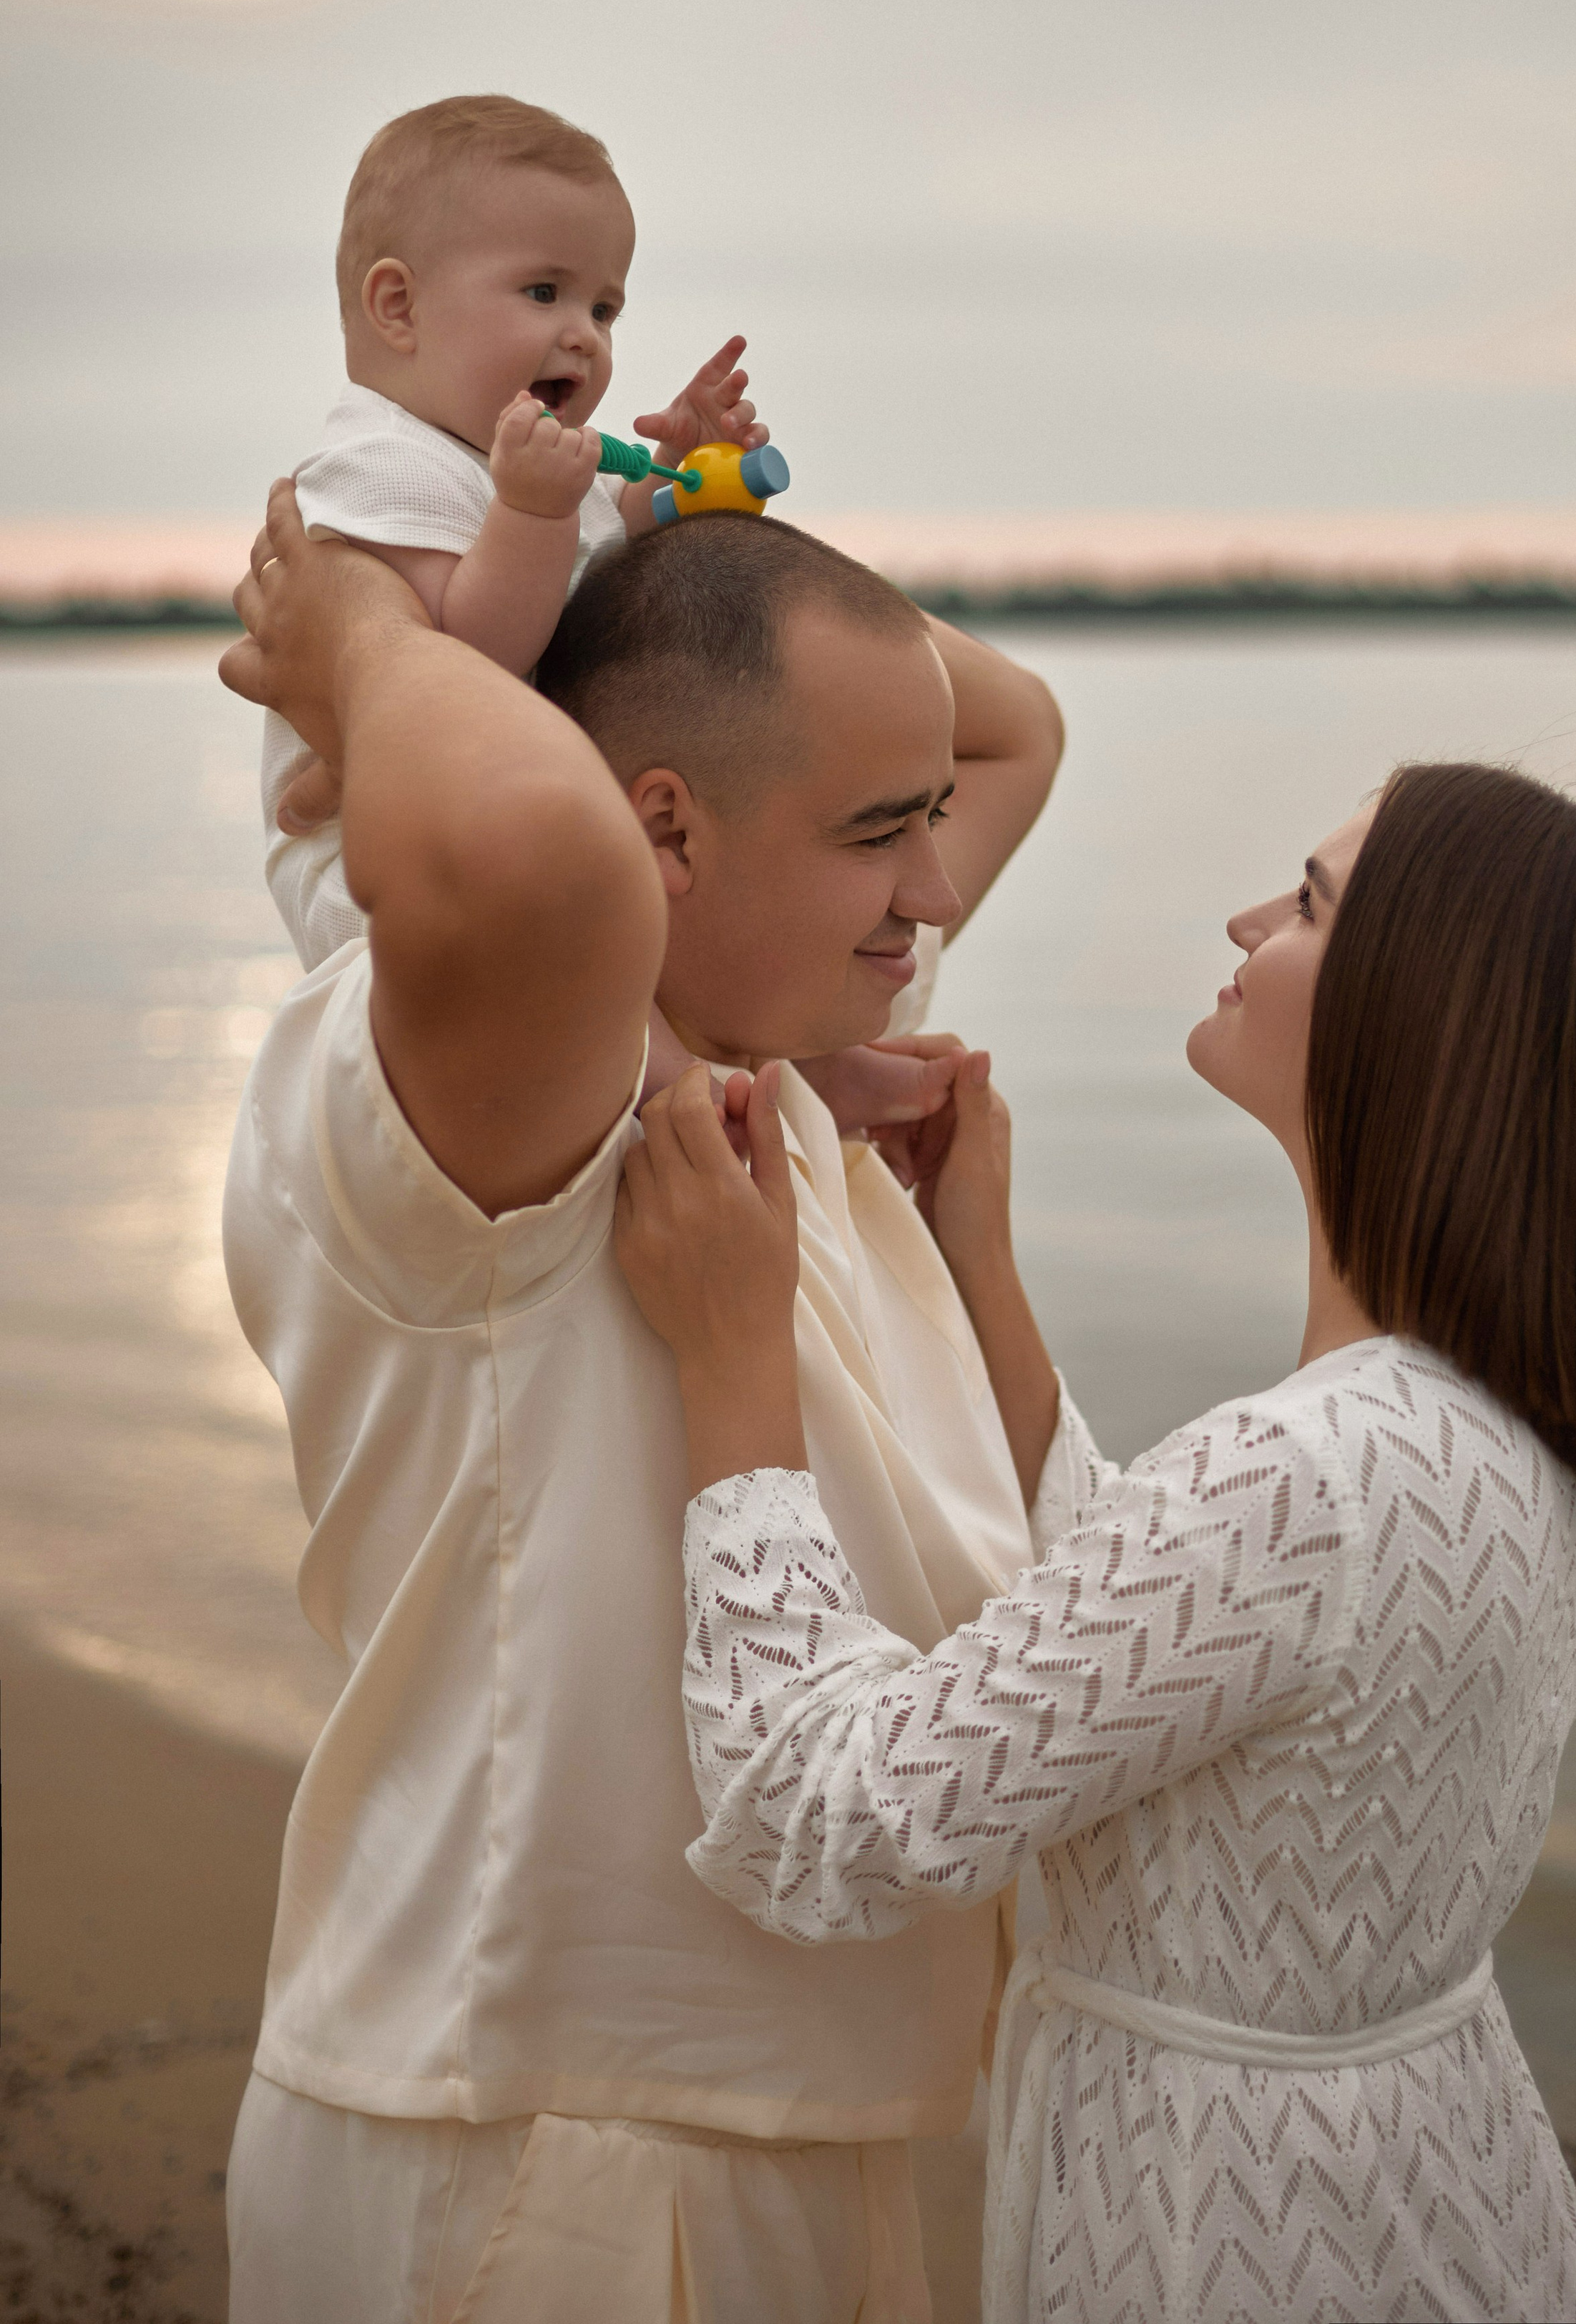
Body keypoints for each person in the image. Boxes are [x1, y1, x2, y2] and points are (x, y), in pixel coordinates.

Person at [617, 762, 1576, 2324]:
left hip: (1218, 2229)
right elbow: (1173, 1645)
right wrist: (977, 1269)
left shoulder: (1305, 1476)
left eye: (1309, 903)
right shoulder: (1536, 1442)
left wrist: (731, 1364)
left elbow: (831, 1816)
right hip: (1435, 2174)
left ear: (1425, 1013)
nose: (1244, 920)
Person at [217, 487, 1064, 2321]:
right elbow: (532, 846)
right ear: (664, 829)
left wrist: (654, 517)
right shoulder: (510, 1106)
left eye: (926, 828)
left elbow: (1003, 724)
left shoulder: (783, 1033)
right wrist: (370, 628)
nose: (932, 892)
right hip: (547, 2144)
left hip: (782, 2115)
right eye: (876, 833)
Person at [263, 89, 771, 972]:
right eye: (544, 292)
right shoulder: (380, 463)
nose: (583, 337)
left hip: (515, 829)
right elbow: (467, 660)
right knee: (611, 990)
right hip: (386, 884)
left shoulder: (526, 461)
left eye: (604, 310)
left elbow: (604, 551)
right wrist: (531, 514)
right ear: (398, 307)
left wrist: (680, 482)